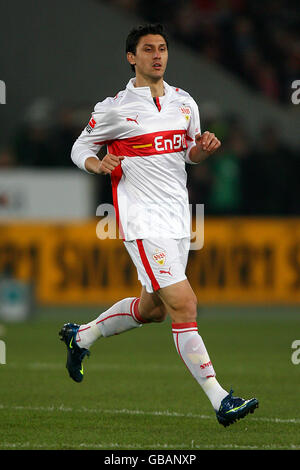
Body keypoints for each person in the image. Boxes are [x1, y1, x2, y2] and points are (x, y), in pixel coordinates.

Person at [59, 23, 258, 427]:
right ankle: (221, 400)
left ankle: (82, 337)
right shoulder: (115, 108)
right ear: (132, 57)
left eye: (163, 48)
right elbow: (80, 147)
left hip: (178, 218)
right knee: (184, 303)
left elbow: (187, 154)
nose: (157, 55)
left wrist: (200, 151)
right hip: (141, 219)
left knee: (153, 309)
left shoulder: (184, 102)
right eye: (148, 49)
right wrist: (99, 163)